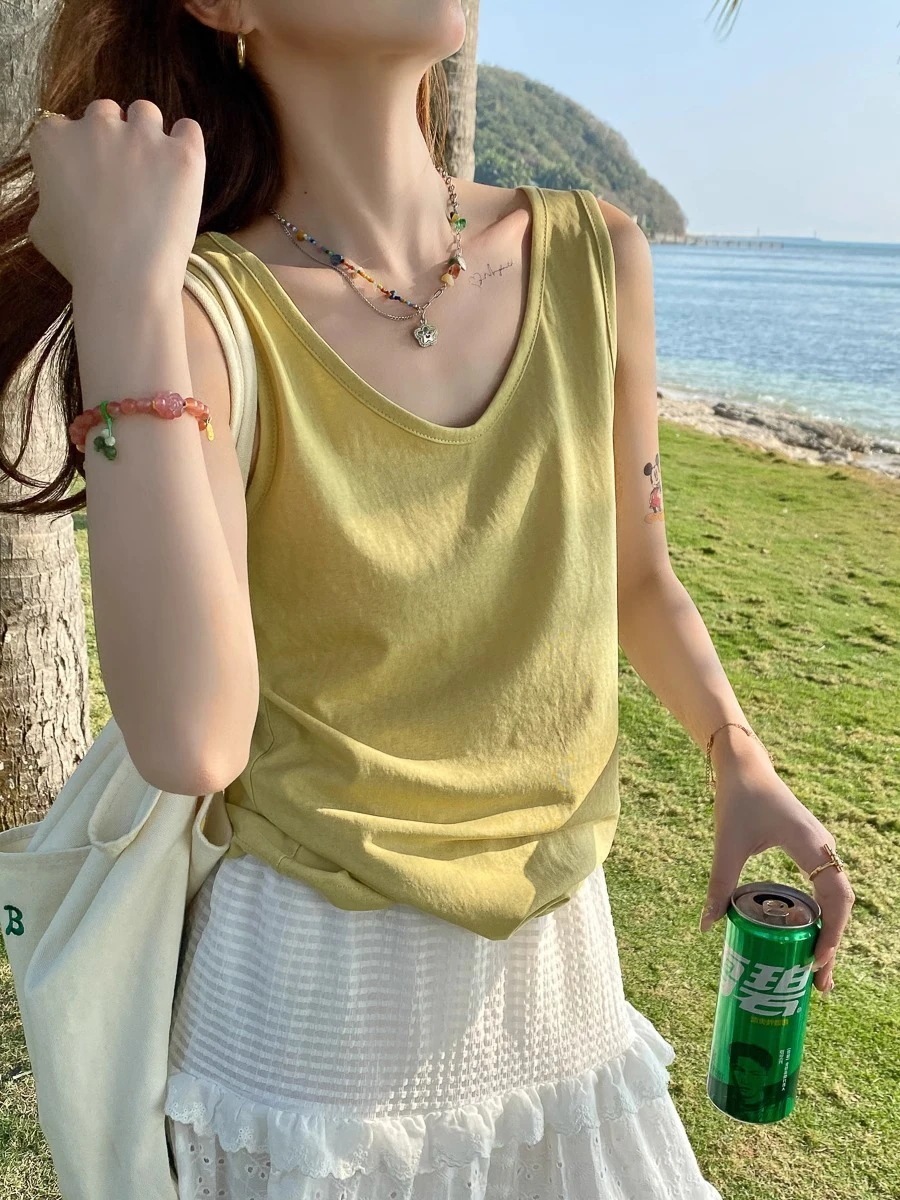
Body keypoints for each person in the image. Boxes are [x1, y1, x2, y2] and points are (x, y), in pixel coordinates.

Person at [3, 0, 855, 1196]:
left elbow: (635, 573)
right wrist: (121, 292)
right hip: (313, 1039)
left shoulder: (597, 254)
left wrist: (737, 757)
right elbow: (193, 740)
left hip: (563, 984)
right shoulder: (198, 311)